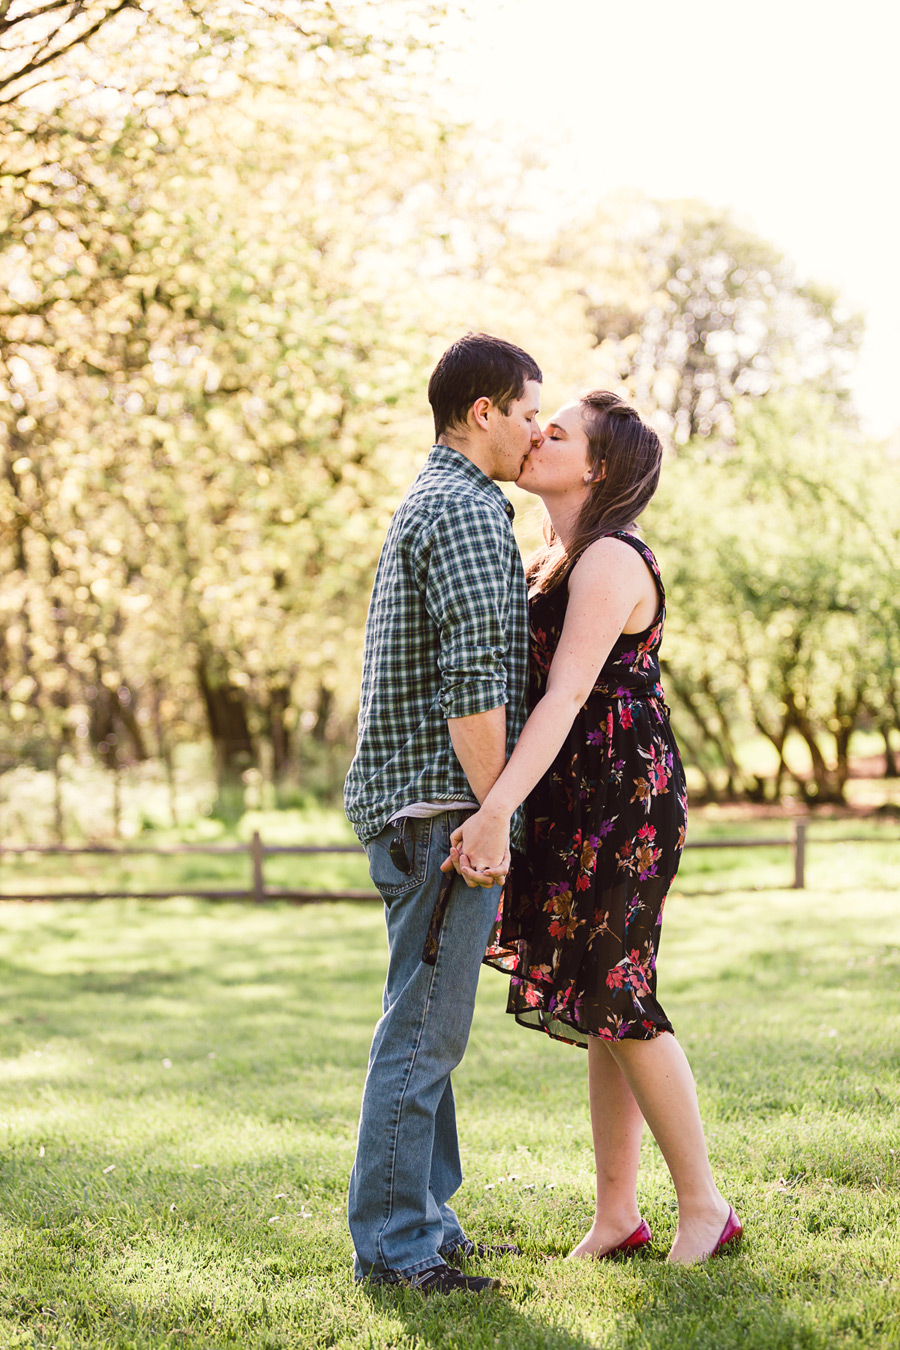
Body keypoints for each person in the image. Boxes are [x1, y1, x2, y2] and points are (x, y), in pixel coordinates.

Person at [445, 391, 742, 1265]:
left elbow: (570, 694)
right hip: (578, 793)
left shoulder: (611, 557)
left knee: (620, 991)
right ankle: (618, 1215)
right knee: (598, 999)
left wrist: (494, 807)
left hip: (624, 797)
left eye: (560, 431)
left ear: (599, 468)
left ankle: (705, 1207)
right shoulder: (558, 555)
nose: (539, 434)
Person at [343, 333, 544, 1294]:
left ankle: (427, 1219)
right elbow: (473, 687)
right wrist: (495, 810)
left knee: (430, 1030)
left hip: (424, 812)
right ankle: (395, 1250)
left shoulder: (439, 501)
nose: (536, 429)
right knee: (421, 1037)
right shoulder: (465, 513)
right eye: (527, 411)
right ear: (483, 412)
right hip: (442, 815)